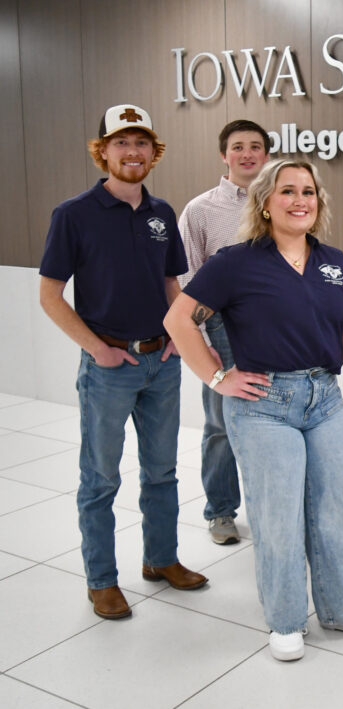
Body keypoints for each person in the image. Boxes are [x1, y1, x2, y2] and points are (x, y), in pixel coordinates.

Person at [164, 159, 343, 662]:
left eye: (308, 191)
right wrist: (218, 377)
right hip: (264, 404)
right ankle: (286, 619)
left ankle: (341, 609)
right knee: (278, 516)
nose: (300, 200)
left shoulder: (334, 262)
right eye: (287, 191)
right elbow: (179, 319)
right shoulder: (234, 262)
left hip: (325, 399)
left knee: (336, 511)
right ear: (265, 202)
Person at [39, 104, 207, 620]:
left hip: (163, 363)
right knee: (101, 479)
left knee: (162, 472)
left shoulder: (161, 213)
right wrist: (96, 349)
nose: (132, 153)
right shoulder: (73, 214)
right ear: (103, 150)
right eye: (121, 143)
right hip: (109, 368)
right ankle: (102, 581)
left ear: (152, 153)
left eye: (141, 144)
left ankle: (161, 560)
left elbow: (170, 283)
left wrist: (178, 334)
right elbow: (50, 295)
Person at [178, 119, 270, 545]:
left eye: (255, 146)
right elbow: (188, 282)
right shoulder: (200, 210)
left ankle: (271, 509)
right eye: (238, 147)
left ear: (266, 154)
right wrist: (202, 343)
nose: (247, 153)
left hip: (274, 324)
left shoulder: (280, 202)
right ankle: (220, 511)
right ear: (224, 155)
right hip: (220, 326)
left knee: (270, 420)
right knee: (220, 422)